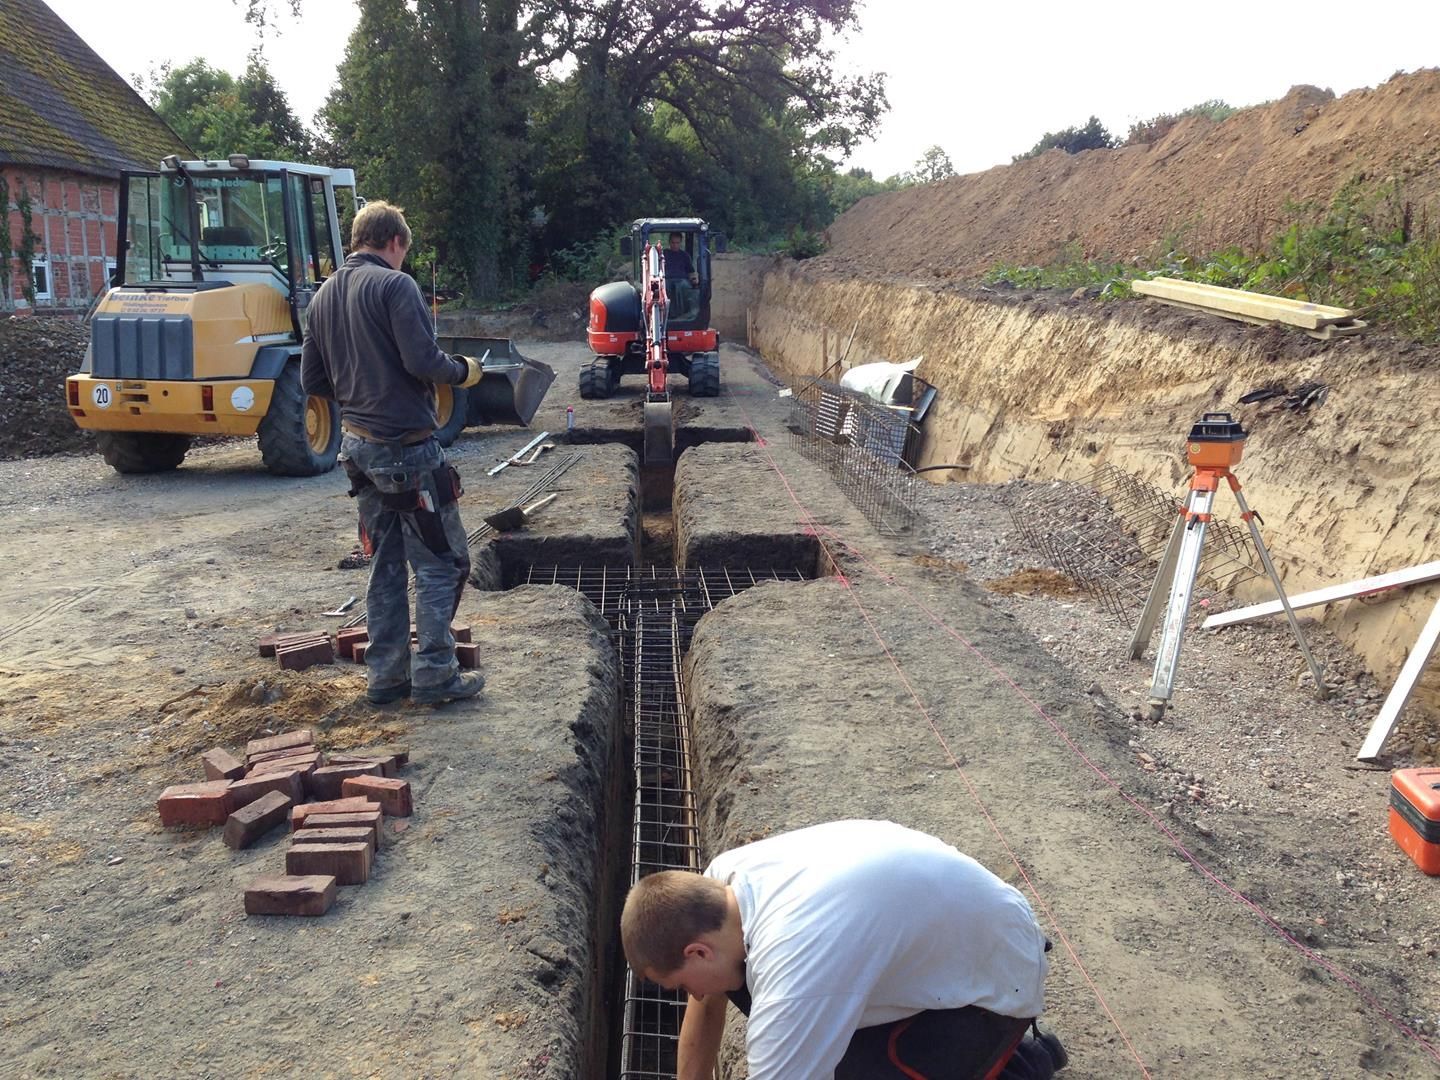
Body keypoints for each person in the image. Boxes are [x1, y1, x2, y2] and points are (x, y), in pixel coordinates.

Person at [621, 820, 1068, 1080]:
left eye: (679, 985)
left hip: (994, 984)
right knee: (745, 991)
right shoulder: (723, 884)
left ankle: (1022, 1063)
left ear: (697, 952)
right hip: (954, 943)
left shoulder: (796, 970)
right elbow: (706, 1008)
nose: (690, 996)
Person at [300, 200, 486, 707]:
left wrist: (360, 391)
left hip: (357, 449)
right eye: (406, 249)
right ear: (395, 242)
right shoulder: (394, 285)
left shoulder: (321, 297)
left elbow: (312, 380)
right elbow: (423, 360)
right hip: (405, 449)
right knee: (442, 563)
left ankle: (386, 678)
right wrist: (463, 370)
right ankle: (435, 674)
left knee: (385, 563)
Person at [663, 231, 699, 314]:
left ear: (680, 243)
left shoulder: (685, 256)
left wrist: (694, 280)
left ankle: (687, 313)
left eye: (677, 243)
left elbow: (691, 272)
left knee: (685, 286)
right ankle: (667, 314)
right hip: (666, 279)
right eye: (673, 242)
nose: (675, 245)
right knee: (665, 287)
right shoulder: (664, 254)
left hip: (682, 280)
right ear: (669, 242)